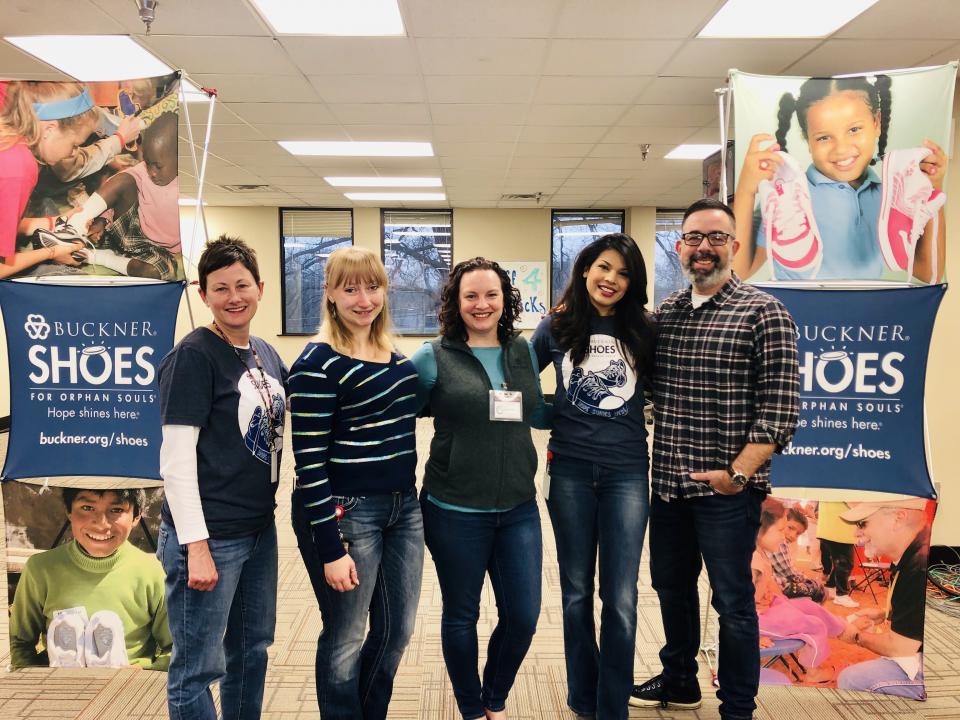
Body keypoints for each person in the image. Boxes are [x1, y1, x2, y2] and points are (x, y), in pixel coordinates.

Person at [630, 198, 800, 720]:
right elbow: (650, 391)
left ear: (734, 246)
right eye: (694, 238)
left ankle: (738, 708)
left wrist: (737, 475)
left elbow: (781, 410)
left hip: (727, 494)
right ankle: (680, 681)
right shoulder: (668, 315)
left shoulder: (764, 312)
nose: (704, 247)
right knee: (671, 589)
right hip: (670, 488)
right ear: (680, 246)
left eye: (716, 237)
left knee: (732, 602)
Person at [411, 257, 550, 720]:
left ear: (505, 299)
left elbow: (532, 411)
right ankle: (473, 708)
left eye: (491, 294)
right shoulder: (434, 356)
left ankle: (495, 695)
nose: (481, 304)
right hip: (453, 509)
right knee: (461, 615)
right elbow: (395, 412)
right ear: (455, 301)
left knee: (524, 616)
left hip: (518, 508)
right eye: (470, 295)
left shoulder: (522, 350)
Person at [289, 247, 423, 720]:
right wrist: (330, 548)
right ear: (329, 294)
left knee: (397, 630)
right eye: (350, 288)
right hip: (346, 513)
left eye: (373, 286)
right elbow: (307, 467)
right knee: (346, 635)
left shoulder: (395, 356)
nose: (364, 299)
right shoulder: (316, 365)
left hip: (403, 508)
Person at [158, 235, 287, 720]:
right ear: (202, 293)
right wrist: (196, 545)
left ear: (260, 287)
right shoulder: (193, 355)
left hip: (257, 530)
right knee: (197, 670)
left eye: (242, 285)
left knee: (251, 651)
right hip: (209, 538)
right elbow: (176, 460)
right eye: (220, 287)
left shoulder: (264, 353)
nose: (234, 296)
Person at [531, 233, 655, 719]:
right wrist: (545, 413)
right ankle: (584, 697)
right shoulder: (556, 328)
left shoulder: (645, 329)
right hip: (570, 472)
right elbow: (515, 376)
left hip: (627, 472)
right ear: (585, 269)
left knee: (621, 597)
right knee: (577, 591)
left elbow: (669, 390)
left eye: (624, 273)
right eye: (604, 267)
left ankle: (611, 706)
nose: (612, 279)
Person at [733, 75, 947, 282]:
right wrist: (746, 189)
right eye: (824, 137)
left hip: (862, 316)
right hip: (798, 316)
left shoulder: (888, 197)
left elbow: (929, 274)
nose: (842, 149)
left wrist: (931, 188)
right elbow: (737, 272)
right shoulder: (788, 199)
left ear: (876, 123)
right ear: (808, 140)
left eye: (854, 129)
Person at [10, 487, 171, 670]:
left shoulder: (152, 572)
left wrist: (142, 673)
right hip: (58, 686)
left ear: (136, 516)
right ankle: (67, 660)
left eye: (116, 510)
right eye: (87, 507)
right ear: (69, 511)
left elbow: (176, 649)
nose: (101, 524)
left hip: (127, 688)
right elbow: (19, 645)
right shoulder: (40, 569)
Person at [65, 110, 181, 280]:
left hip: (157, 250)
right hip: (125, 232)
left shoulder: (187, 188)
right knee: (124, 179)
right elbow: (116, 192)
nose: (152, 172)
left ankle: (104, 257)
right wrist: (102, 220)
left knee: (156, 273)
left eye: (158, 166)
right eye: (147, 163)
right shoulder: (142, 171)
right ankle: (72, 228)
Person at [836, 498, 930, 699]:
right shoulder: (918, 551)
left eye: (863, 523)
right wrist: (886, 613)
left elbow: (901, 648)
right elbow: (921, 609)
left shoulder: (917, 567)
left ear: (898, 519)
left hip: (943, 670)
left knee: (850, 679)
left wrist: (855, 636)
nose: (856, 532)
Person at [0, 80, 96, 277]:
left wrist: (54, 222)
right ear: (50, 129)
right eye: (75, 144)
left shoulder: (9, 138)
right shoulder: (19, 167)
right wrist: (51, 252)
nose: (73, 153)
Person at [753, 498, 844, 683]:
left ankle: (844, 629)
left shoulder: (759, 552)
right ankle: (813, 673)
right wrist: (755, 635)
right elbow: (737, 608)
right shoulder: (753, 562)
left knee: (807, 605)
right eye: (780, 530)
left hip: (769, 608)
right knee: (814, 623)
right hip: (757, 621)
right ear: (759, 528)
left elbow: (772, 587)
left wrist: (792, 606)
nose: (783, 536)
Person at [765, 505, 827, 603]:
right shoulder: (778, 541)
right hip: (770, 591)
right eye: (790, 528)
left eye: (798, 534)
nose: (793, 535)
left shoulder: (777, 539)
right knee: (816, 591)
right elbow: (789, 573)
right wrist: (807, 580)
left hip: (772, 586)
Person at [817, 501, 859, 608]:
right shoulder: (846, 484)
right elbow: (852, 502)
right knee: (845, 564)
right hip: (840, 528)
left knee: (839, 562)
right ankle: (842, 595)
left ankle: (831, 588)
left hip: (828, 527)